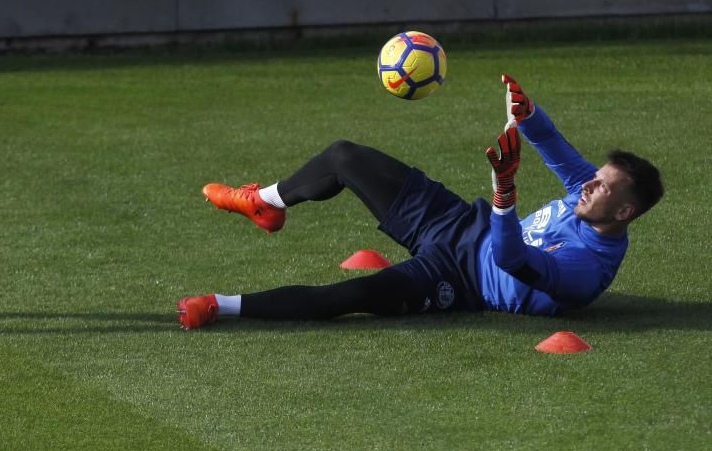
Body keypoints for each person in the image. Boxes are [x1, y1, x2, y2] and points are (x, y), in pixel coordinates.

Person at [177, 74, 664, 329]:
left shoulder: (586, 271)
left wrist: (504, 191)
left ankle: (221, 306)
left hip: (460, 279)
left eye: (601, 186)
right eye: (595, 177)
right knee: (346, 156)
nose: (587, 185)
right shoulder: (591, 196)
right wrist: (527, 113)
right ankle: (264, 202)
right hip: (456, 222)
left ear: (624, 212)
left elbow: (510, 258)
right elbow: (555, 147)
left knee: (353, 297)